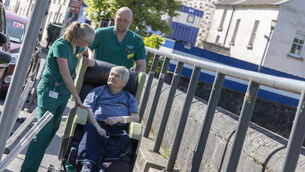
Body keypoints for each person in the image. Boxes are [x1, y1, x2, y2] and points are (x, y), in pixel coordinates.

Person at [20, 21, 95, 172]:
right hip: (50, 92)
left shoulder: (78, 46)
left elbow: (87, 50)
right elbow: (66, 76)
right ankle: (28, 169)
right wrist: (78, 99)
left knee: (52, 130)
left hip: (62, 95)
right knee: (43, 132)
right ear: (78, 37)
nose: (88, 44)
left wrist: (91, 56)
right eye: (87, 41)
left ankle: (32, 166)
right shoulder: (61, 46)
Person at [77, 66, 140, 172]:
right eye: (111, 74)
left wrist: (119, 119)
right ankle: (87, 166)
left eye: (117, 76)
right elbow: (87, 109)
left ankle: (104, 166)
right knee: (90, 130)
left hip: (118, 127)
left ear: (124, 83)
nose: (112, 77)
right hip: (97, 123)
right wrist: (97, 127)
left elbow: (135, 117)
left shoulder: (129, 98)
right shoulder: (97, 91)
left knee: (123, 138)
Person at [87, 7, 146, 72]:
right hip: (98, 73)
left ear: (131, 21)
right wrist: (90, 56)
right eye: (119, 19)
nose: (121, 23)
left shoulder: (137, 40)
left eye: (125, 21)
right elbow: (86, 47)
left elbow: (141, 65)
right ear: (114, 17)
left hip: (120, 79)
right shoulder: (101, 33)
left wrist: (137, 79)